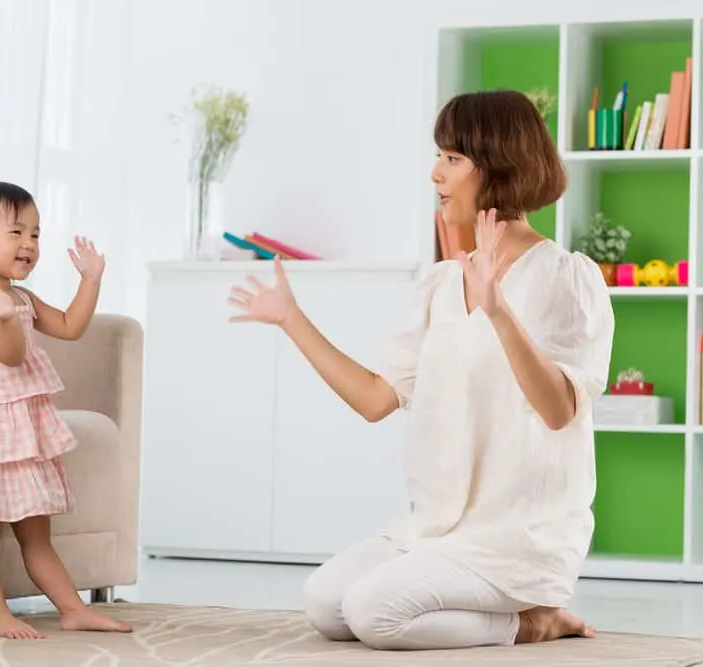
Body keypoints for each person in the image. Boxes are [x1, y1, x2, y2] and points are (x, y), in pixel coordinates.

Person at [226, 89, 615, 651]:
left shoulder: (566, 277)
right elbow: (375, 400)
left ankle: (534, 620)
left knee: (373, 613)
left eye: (452, 158)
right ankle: (504, 611)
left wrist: (499, 313)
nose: (435, 173)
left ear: (498, 165)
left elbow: (559, 412)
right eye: (439, 156)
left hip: (518, 535)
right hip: (439, 528)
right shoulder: (440, 284)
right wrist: (292, 319)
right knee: (326, 605)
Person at [0, 181, 132, 640]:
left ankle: (72, 608)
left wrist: (90, 280)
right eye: (16, 232)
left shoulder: (19, 299)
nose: (29, 244)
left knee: (38, 534)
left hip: (23, 433)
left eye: (35, 234)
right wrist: (5, 318)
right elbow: (11, 356)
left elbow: (72, 327)